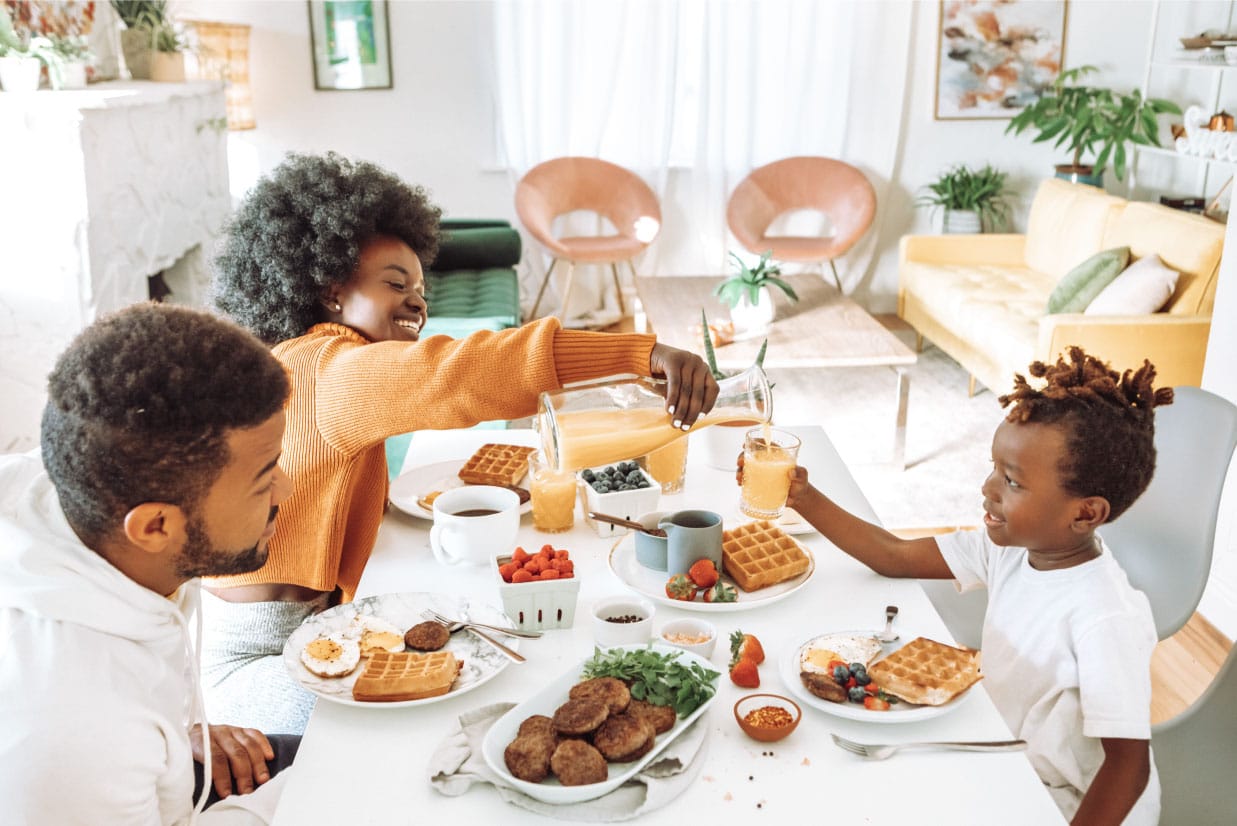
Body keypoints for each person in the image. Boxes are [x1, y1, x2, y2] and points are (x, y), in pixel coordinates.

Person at [206, 151, 720, 733]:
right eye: (395, 283)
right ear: (328, 292)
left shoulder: (310, 362)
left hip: (315, 629)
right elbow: (466, 371)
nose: (419, 303)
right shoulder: (335, 372)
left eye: (422, 290)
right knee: (479, 697)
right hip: (261, 664)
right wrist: (636, 353)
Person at [743, 346, 1168, 826]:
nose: (987, 488)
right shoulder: (1010, 548)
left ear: (1085, 513)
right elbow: (894, 555)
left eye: (1012, 481)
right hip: (1008, 756)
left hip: (1069, 803)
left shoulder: (1105, 617)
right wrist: (806, 498)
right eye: (994, 468)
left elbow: (1127, 768)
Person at [0, 303, 299, 824]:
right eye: (264, 477)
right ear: (156, 527)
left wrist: (175, 736)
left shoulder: (80, 487)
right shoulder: (76, 733)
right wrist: (302, 791)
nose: (287, 488)